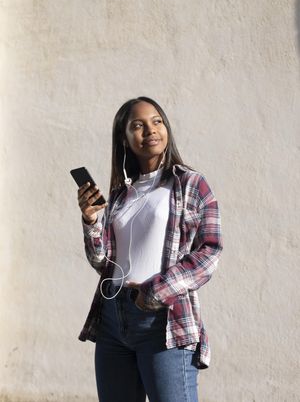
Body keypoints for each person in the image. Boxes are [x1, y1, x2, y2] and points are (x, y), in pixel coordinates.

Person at [76, 96, 223, 402]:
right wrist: (91, 220)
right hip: (112, 320)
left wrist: (156, 290)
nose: (150, 131)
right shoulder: (120, 195)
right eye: (138, 125)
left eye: (156, 121)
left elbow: (209, 252)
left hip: (163, 320)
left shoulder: (191, 184)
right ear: (125, 138)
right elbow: (101, 261)